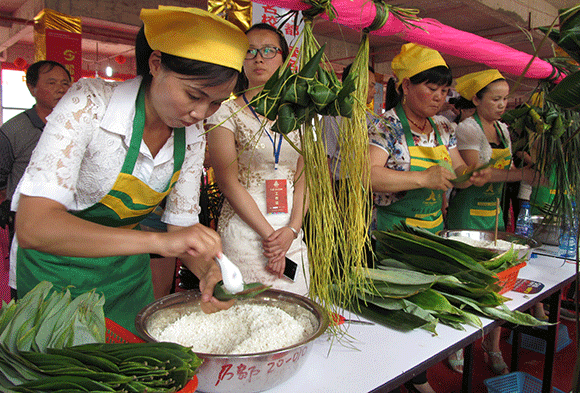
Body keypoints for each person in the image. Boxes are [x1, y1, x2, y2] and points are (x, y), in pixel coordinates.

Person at [11, 6, 249, 334]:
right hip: (56, 280)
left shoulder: (192, 135)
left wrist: (209, 269)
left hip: (126, 282)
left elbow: (181, 231)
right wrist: (157, 243)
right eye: (194, 95)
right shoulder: (89, 104)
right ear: (155, 63)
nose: (200, 113)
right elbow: (34, 227)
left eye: (215, 103)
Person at [369, 43, 490, 393]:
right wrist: (422, 178)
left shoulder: (442, 128)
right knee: (399, 310)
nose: (438, 98)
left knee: (427, 310)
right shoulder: (386, 126)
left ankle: (415, 371)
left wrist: (472, 174)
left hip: (433, 234)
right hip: (395, 237)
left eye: (443, 91)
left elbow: (454, 169)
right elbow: (369, 175)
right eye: (430, 89)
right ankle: (398, 375)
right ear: (405, 85)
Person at [445, 69, 542, 375]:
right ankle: (458, 342)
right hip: (467, 212)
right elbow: (474, 176)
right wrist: (521, 175)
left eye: (504, 99)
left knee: (497, 281)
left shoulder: (503, 129)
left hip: (494, 213)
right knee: (464, 279)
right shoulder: (468, 129)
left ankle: (492, 344)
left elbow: (506, 168)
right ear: (476, 99)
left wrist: (520, 168)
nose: (502, 105)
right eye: (495, 99)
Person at [205, 23, 309, 296]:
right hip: (246, 232)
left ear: (284, 60)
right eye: (249, 51)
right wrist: (270, 238)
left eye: (268, 50)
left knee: (296, 307)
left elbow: (304, 178)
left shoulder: (301, 114)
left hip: (290, 232)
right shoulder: (225, 113)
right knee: (249, 310)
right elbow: (228, 183)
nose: (259, 58)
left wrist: (292, 231)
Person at [0, 60, 72, 299]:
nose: (60, 89)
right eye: (51, 83)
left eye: (65, 83)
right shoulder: (14, 130)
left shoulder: (77, 126)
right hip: (27, 222)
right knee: (28, 290)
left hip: (68, 221)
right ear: (32, 88)